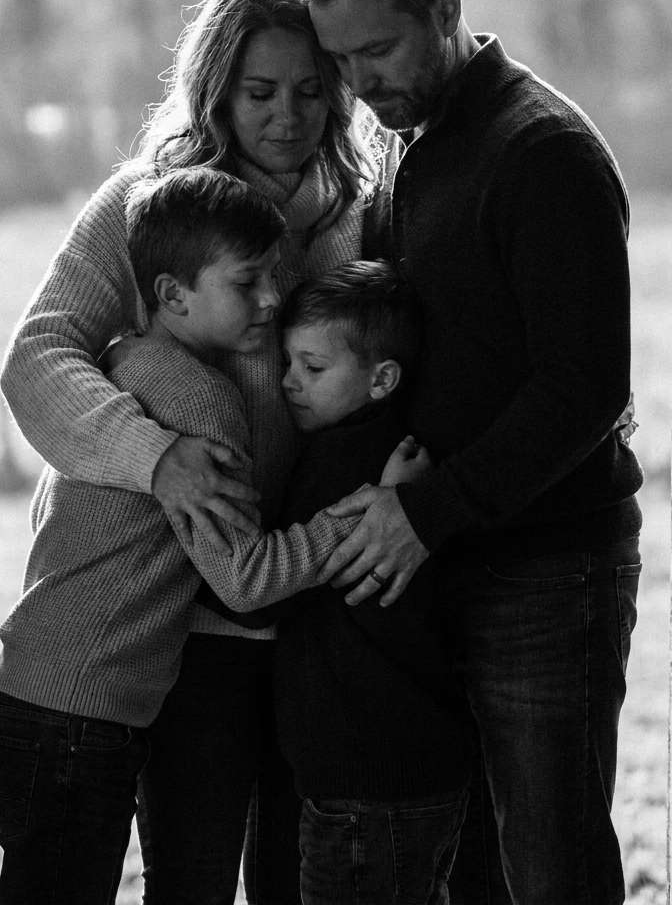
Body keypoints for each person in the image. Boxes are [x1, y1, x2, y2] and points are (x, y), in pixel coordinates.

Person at [0, 0, 395, 904]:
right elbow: (38, 357)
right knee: (193, 877)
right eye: (259, 93)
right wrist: (154, 457)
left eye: (309, 91)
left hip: (319, 612)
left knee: (301, 880)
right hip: (189, 627)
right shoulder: (156, 206)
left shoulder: (361, 215)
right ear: (216, 89)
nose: (286, 117)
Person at [294, 0, 645, 905]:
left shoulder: (543, 154)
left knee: (551, 867)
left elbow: (584, 389)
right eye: (343, 61)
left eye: (380, 49)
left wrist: (424, 511)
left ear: (444, 5)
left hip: (546, 571)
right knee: (474, 877)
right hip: (447, 560)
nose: (360, 85)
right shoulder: (412, 138)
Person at [273, 260, 472, 905]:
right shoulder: (405, 457)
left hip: (364, 782)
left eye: (312, 367)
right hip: (418, 771)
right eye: (288, 364)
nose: (289, 383)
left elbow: (253, 595)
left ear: (382, 377)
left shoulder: (335, 468)